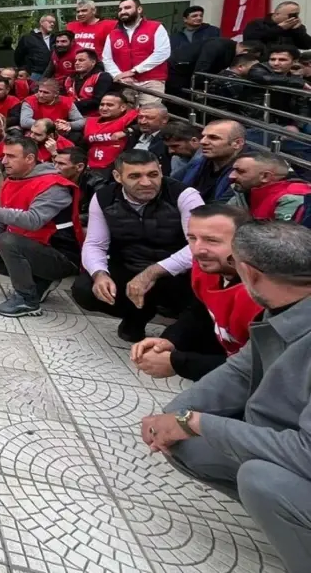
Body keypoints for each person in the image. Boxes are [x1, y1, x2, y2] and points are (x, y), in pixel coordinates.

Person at [144, 221, 311, 573]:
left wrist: (196, 422)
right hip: (291, 435)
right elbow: (241, 369)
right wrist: (175, 415)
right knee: (182, 440)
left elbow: (305, 454)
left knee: (263, 480)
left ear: (246, 270)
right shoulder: (286, 305)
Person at [72, 150, 203, 342]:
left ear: (161, 170)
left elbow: (198, 245)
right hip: (129, 266)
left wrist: (153, 272)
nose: (146, 182)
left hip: (177, 274)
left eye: (153, 174)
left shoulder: (184, 195)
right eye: (135, 176)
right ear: (118, 177)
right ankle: (136, 316)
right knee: (85, 288)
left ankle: (181, 323)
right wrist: (100, 274)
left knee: (178, 339)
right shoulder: (104, 197)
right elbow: (95, 244)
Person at [131, 205, 260, 382]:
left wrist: (179, 363)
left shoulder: (266, 294)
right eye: (192, 238)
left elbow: (263, 368)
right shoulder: (206, 269)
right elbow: (201, 312)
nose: (198, 249)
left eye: (212, 240)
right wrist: (171, 340)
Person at [0, 137, 83, 317]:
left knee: (8, 240)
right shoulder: (12, 180)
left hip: (61, 255)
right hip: (30, 247)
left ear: (29, 159)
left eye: (11, 156)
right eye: (4, 155)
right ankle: (40, 280)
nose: (4, 161)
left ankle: (27, 299)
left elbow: (33, 220)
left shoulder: (54, 185)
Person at [101, 0, 171, 104]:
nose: (123, 11)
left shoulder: (155, 27)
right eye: (120, 9)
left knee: (148, 115)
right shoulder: (113, 34)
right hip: (124, 83)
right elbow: (107, 59)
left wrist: (134, 71)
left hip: (151, 81)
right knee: (126, 117)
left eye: (127, 8)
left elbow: (162, 52)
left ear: (139, 9)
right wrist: (119, 76)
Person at [229, 149, 311, 222]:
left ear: (265, 176)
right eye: (233, 170)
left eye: (240, 171)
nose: (231, 176)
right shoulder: (246, 189)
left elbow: (284, 237)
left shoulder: (292, 198)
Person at [182, 120, 246, 204]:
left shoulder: (246, 171)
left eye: (213, 138)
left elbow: (222, 208)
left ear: (237, 143)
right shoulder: (198, 162)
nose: (203, 142)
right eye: (203, 136)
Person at [83, 91, 138, 185]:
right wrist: (68, 126)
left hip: (114, 168)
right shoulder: (91, 121)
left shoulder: (131, 118)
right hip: (91, 165)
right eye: (102, 104)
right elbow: (75, 126)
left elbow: (147, 123)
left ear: (123, 107)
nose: (104, 108)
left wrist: (128, 131)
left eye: (110, 105)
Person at [169, 5, 221, 99]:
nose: (199, 18)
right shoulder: (175, 37)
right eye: (194, 16)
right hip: (182, 75)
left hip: (206, 74)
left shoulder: (212, 31)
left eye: (201, 15)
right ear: (185, 19)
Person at [19, 78, 85, 134]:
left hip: (60, 134)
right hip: (37, 134)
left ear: (56, 94)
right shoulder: (29, 101)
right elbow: (25, 122)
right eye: (40, 91)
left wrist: (68, 125)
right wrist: (53, 125)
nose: (41, 95)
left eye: (46, 92)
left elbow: (81, 121)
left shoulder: (66, 102)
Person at [241, 0, 311, 52]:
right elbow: (250, 41)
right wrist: (279, 28)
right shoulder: (257, 24)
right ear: (276, 15)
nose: (295, 18)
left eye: (297, 15)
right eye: (291, 15)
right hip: (263, 62)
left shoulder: (297, 27)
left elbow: (307, 45)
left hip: (287, 63)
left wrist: (297, 31)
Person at [65, 49, 114, 117]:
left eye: (81, 60)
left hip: (93, 117)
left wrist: (71, 105)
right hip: (70, 114)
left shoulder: (102, 77)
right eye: (75, 60)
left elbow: (98, 101)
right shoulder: (69, 78)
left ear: (93, 62)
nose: (76, 63)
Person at [126, 104, 170, 172]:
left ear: (164, 119)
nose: (142, 122)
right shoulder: (132, 135)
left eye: (149, 118)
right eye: (140, 117)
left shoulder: (169, 141)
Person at [14, 13, 55, 78]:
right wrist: (24, 69)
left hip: (52, 74)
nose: (52, 24)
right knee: (34, 88)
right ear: (41, 22)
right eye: (49, 22)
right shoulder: (28, 38)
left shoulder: (55, 38)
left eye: (53, 23)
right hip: (34, 74)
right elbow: (18, 56)